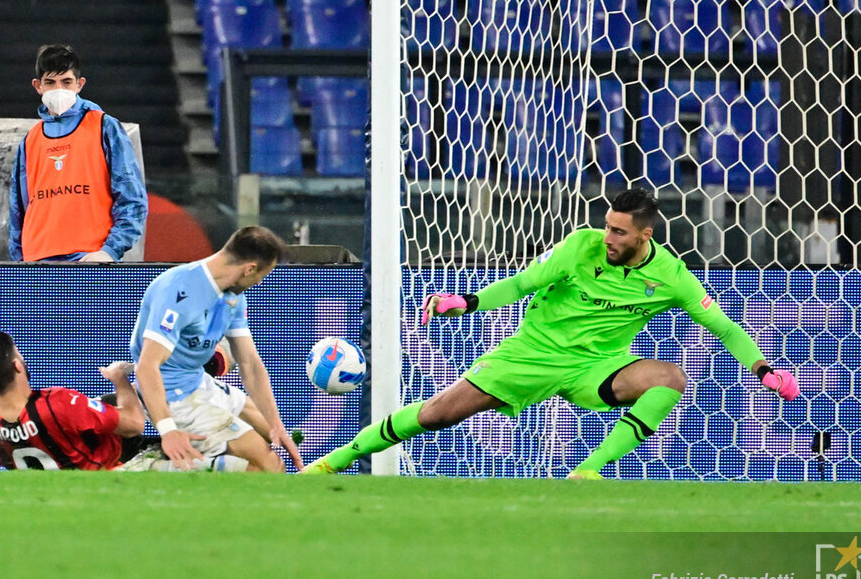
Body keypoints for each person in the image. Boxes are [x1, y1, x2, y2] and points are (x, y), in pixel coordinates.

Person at [304, 188, 800, 478]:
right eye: (607, 227)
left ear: (645, 235)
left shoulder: (672, 277)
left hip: (596, 366)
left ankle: (587, 471)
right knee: (437, 415)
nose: (608, 238)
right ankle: (330, 463)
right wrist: (468, 302)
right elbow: (522, 283)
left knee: (669, 378)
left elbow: (724, 327)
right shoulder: (580, 247)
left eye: (619, 232)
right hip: (532, 353)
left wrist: (764, 370)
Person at [131, 225, 304, 472]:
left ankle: (175, 460)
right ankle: (153, 468)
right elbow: (147, 367)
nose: (259, 283)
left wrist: (276, 426)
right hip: (172, 394)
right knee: (268, 468)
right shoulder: (179, 290)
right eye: (262, 276)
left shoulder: (233, 294)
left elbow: (250, 364)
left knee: (270, 435)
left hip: (198, 381)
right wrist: (168, 431)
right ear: (249, 269)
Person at [0, 329, 147, 470]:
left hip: (44, 487)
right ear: (17, 366)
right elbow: (135, 424)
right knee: (139, 399)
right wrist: (119, 378)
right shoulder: (60, 402)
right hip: (115, 465)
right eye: (19, 354)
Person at [9, 44, 147, 262]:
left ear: (79, 84)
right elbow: (18, 210)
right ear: (38, 86)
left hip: (90, 258)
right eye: (50, 82)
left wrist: (109, 251)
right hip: (37, 260)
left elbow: (132, 198)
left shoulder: (104, 127)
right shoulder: (30, 140)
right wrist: (19, 262)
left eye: (66, 82)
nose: (58, 89)